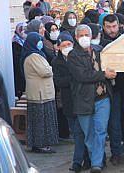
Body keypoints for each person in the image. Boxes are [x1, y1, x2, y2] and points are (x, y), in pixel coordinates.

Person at [67, 25, 116, 173]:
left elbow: (110, 66)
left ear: (91, 35)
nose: (84, 38)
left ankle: (96, 164)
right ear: (76, 38)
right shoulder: (73, 55)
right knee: (89, 134)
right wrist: (103, 74)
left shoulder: (99, 50)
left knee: (100, 131)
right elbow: (82, 75)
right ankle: (97, 159)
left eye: (86, 35)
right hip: (83, 100)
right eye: (80, 35)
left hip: (103, 98)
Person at [100, 14, 124, 162]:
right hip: (107, 87)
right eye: (108, 27)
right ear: (103, 27)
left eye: (114, 26)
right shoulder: (100, 41)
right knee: (112, 122)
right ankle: (116, 152)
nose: (112, 30)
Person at [21, 32, 58, 153]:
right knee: (41, 121)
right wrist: (51, 68)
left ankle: (39, 144)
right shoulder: (34, 56)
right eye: (39, 40)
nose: (40, 43)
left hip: (40, 93)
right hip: (40, 94)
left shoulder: (33, 55)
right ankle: (40, 144)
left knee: (38, 120)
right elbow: (45, 71)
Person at [52, 31, 84, 171]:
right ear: (58, 47)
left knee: (85, 132)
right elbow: (59, 81)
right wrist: (75, 78)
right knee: (77, 133)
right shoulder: (56, 62)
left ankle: (83, 160)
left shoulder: (80, 56)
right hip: (69, 102)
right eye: (63, 45)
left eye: (69, 44)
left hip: (83, 100)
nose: (67, 47)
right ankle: (78, 161)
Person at [12, 22, 27, 98]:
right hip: (18, 71)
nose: (23, 32)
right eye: (21, 29)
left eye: (25, 30)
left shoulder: (25, 42)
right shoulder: (15, 43)